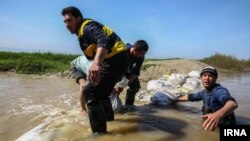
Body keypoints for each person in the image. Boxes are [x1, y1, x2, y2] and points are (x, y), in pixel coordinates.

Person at [61, 6, 129, 133]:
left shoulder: (87, 27)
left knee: (90, 92)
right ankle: (110, 122)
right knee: (102, 93)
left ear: (78, 18)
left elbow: (103, 40)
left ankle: (99, 135)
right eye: (65, 22)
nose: (67, 24)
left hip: (115, 58)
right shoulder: (82, 34)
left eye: (69, 20)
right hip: (118, 60)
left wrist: (96, 64)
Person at [177, 66, 238, 131]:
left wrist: (218, 114)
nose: (206, 78)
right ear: (201, 78)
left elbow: (232, 104)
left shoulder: (219, 91)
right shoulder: (204, 92)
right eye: (204, 75)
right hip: (210, 125)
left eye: (210, 76)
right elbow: (191, 97)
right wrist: (176, 99)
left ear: (215, 78)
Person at [114, 40, 148, 107]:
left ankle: (129, 106)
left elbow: (136, 72)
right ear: (134, 49)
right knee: (111, 88)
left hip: (128, 70)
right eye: (141, 53)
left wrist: (125, 84)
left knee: (135, 86)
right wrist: (118, 89)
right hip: (116, 69)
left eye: (144, 54)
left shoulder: (141, 57)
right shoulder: (123, 51)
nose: (142, 56)